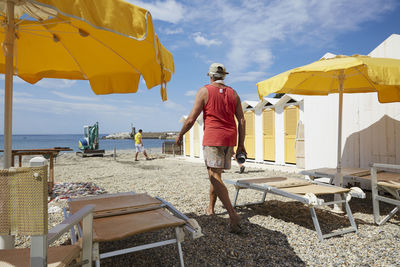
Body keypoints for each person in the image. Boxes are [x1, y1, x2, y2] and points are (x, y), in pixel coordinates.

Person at [176, 63, 246, 233]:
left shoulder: (204, 91)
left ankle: (232, 214)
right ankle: (211, 208)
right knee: (215, 174)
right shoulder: (233, 93)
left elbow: (191, 119)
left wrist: (180, 135)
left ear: (210, 76)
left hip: (213, 138)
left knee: (214, 176)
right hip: (230, 139)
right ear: (224, 76)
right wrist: (241, 144)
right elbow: (242, 120)